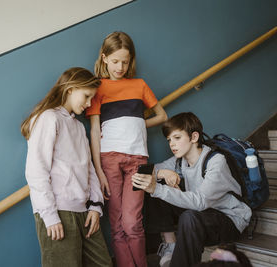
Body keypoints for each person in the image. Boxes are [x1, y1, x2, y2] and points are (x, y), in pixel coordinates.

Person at [86, 31, 167, 267]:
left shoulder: (139, 85)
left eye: (125, 61)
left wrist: (138, 122)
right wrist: (99, 171)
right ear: (104, 58)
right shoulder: (97, 87)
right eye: (115, 61)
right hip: (109, 159)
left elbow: (162, 116)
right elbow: (93, 130)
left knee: (133, 222)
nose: (120, 67)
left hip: (138, 160)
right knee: (117, 223)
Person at [132, 112, 252, 267]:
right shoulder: (178, 160)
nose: (171, 144)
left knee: (185, 214)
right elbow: (144, 172)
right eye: (169, 140)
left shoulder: (216, 161)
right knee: (151, 187)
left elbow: (200, 202)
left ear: (194, 137)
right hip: (203, 213)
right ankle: (171, 246)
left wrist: (157, 188)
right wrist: (161, 173)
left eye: (177, 138)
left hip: (229, 218)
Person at [21, 67, 112, 267]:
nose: (89, 104)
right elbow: (36, 170)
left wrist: (96, 206)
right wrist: (50, 216)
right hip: (58, 212)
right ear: (70, 88)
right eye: (87, 96)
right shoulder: (48, 118)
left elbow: (89, 170)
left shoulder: (79, 127)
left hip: (84, 212)